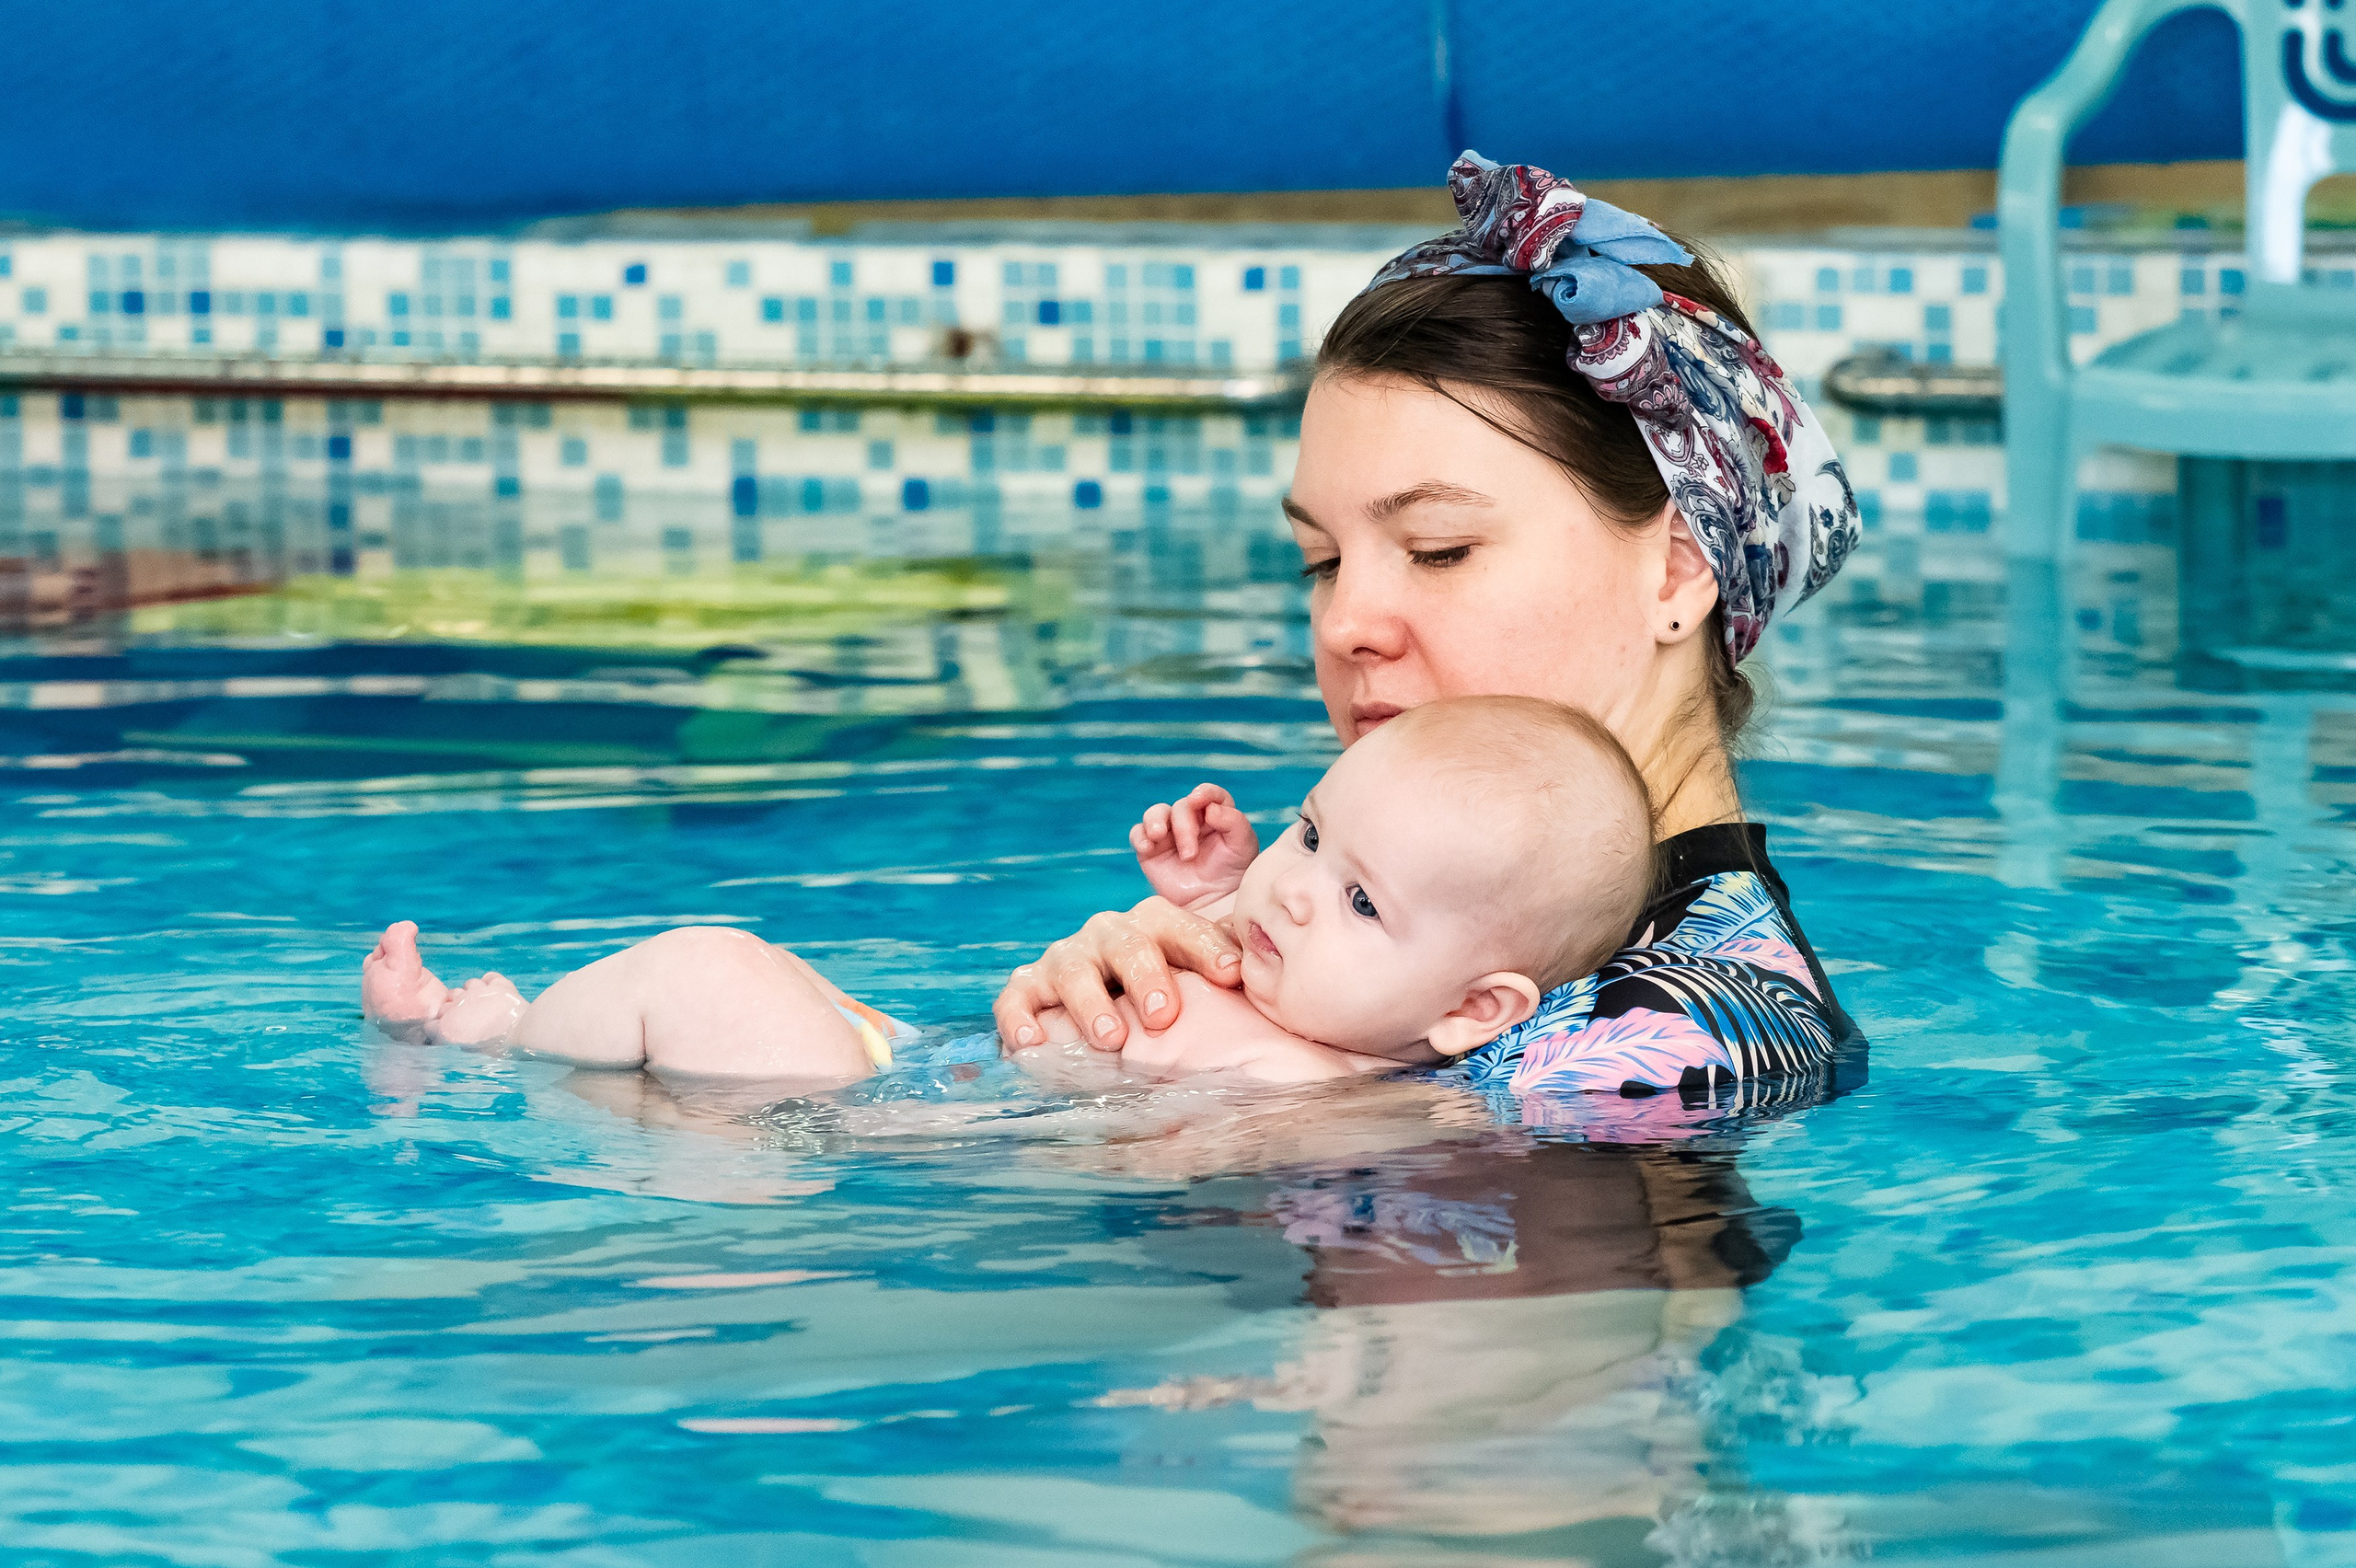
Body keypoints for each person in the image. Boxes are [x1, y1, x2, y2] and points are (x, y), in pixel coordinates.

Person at [993, 151, 1865, 1112]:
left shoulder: (1717, 1031)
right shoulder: (1333, 915)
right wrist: (1146, 995)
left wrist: (1239, 1079)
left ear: (1677, 566)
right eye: (1321, 563)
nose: (1347, 624)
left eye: (1439, 549)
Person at [358, 696, 1657, 1087]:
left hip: (880, 1133)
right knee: (776, 973)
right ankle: (510, 1030)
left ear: (1476, 1011)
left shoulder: (1329, 1092)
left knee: (713, 964)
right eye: (1311, 835)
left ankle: (492, 1036)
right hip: (919, 1058)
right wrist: (1216, 895)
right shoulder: (1290, 987)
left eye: (1363, 902)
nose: (1301, 892)